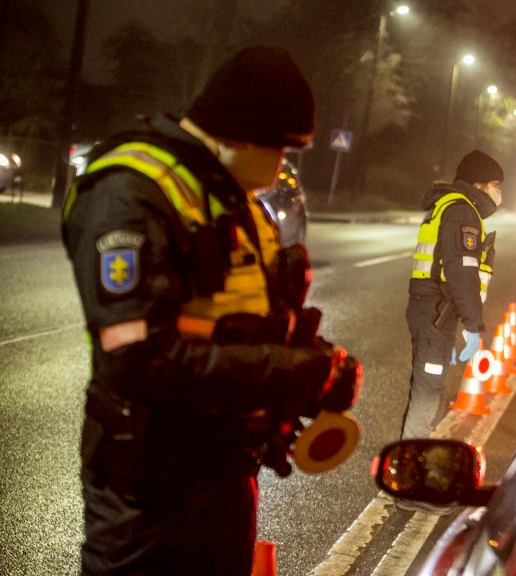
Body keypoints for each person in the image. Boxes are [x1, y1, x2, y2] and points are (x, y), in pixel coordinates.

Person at [61, 45, 363, 575]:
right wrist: (285, 375)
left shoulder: (230, 195)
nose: (281, 165)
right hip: (149, 493)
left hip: (222, 475)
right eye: (279, 148)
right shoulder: (130, 194)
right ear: (238, 131)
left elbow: (247, 319)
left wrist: (320, 364)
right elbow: (134, 359)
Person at [401, 150, 503, 439]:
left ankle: (411, 457)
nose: (499, 191)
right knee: (428, 392)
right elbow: (461, 272)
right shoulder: (462, 212)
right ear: (480, 184)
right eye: (496, 184)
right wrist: (473, 326)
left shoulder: (450, 205)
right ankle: (409, 464)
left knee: (427, 385)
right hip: (435, 312)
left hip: (431, 309)